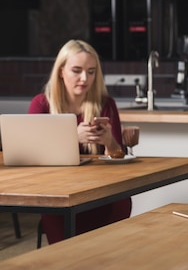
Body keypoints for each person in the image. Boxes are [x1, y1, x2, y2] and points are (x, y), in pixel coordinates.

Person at [28, 39, 130, 244]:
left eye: (91, 72)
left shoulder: (106, 104)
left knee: (121, 200)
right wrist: (72, 138)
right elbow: (31, 157)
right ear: (61, 71)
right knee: (67, 252)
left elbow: (120, 155)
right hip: (58, 191)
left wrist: (110, 141)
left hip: (100, 191)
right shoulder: (41, 104)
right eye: (77, 70)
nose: (85, 78)